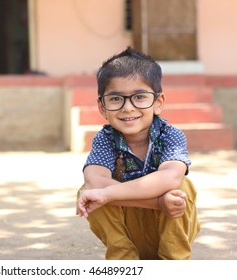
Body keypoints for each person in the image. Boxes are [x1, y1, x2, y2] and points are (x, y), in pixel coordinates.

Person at [76, 47, 200, 260]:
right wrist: (158, 202)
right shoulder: (105, 139)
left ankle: (173, 263)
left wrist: (108, 194)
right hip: (129, 231)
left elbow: (169, 177)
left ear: (158, 103)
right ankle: (124, 262)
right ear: (102, 106)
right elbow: (95, 181)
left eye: (139, 97)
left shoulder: (170, 135)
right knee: (86, 191)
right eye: (116, 99)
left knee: (181, 187)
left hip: (169, 222)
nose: (128, 108)